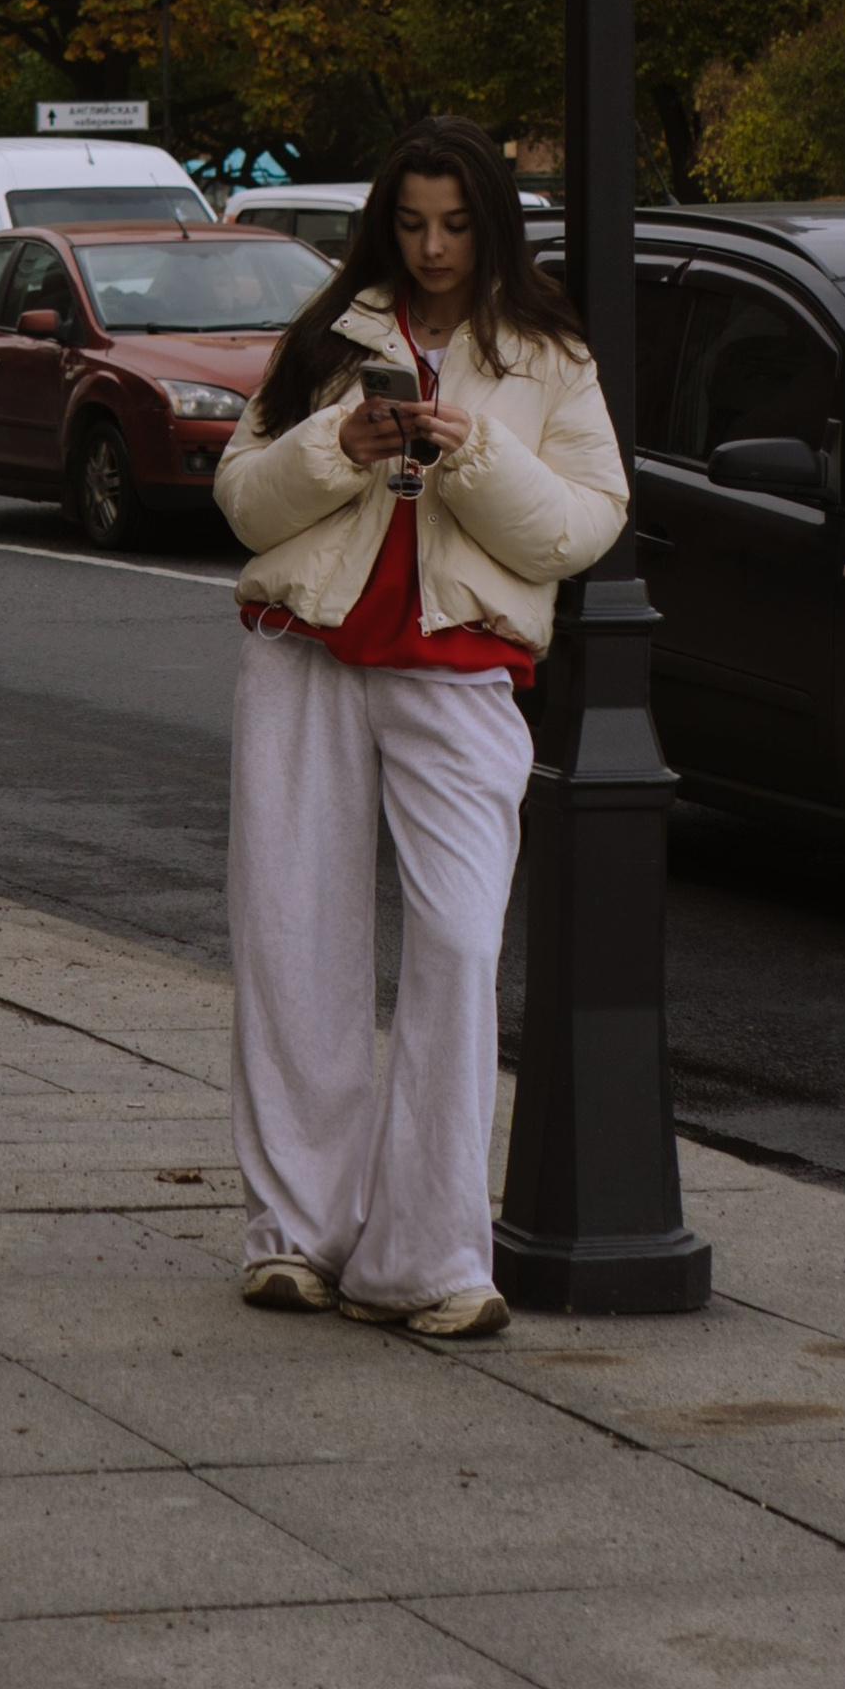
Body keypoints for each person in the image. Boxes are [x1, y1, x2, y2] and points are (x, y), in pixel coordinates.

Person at [213, 118, 627, 1340]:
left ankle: (430, 1258)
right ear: (381, 223)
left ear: (489, 222)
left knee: (454, 942)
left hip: (458, 672)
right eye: (409, 222)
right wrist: (337, 444)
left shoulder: (547, 357)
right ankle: (295, 1239)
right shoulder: (328, 339)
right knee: (294, 941)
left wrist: (474, 451)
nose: (431, 247)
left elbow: (578, 529)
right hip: (305, 654)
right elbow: (242, 501)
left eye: (453, 223)